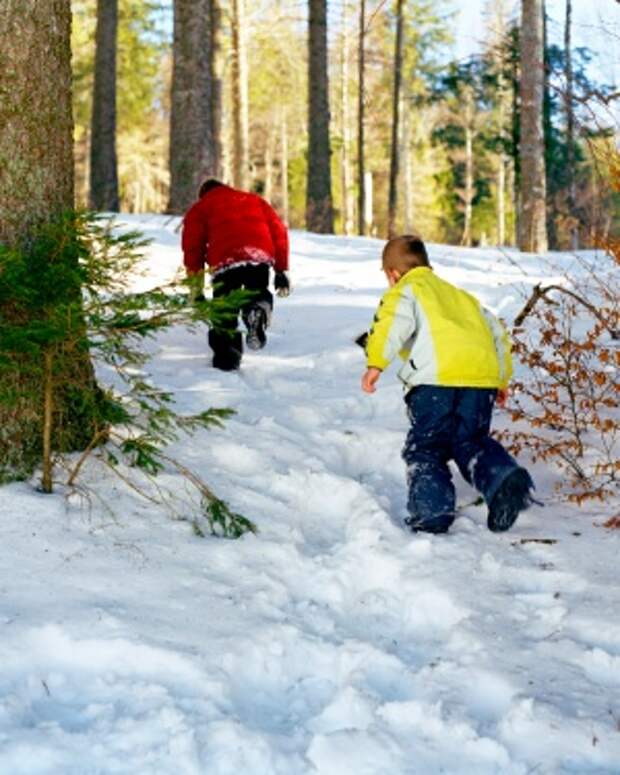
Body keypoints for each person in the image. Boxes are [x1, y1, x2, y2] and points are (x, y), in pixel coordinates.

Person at [361, 235, 535, 535]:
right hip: (480, 381)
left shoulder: (405, 290)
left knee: (427, 447)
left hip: (434, 383)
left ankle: (432, 512)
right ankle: (502, 479)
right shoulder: (464, 298)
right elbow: (497, 335)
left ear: (392, 274)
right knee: (471, 441)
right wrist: (501, 378)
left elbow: (391, 325)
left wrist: (376, 363)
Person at [182, 178, 290, 371]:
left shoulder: (200, 208)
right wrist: (281, 270)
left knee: (224, 310)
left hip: (225, 262)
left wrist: (196, 286)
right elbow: (279, 232)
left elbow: (193, 249)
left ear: (204, 194)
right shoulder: (254, 200)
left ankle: (227, 359)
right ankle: (256, 309)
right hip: (258, 256)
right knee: (256, 291)